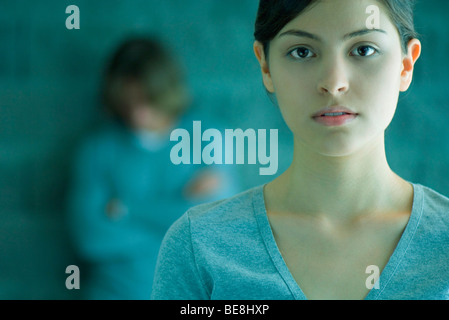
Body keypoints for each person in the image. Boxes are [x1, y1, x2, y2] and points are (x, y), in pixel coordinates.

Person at [151, 0, 449, 300]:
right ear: (265, 65)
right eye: (302, 52)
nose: (334, 83)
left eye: (363, 50)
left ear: (405, 64)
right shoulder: (199, 245)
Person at [66, 36, 239, 300]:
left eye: (147, 100)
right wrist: (180, 217)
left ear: (167, 91)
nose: (137, 114)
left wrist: (125, 209)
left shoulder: (208, 137)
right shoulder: (97, 150)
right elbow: (90, 238)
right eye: (127, 101)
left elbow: (216, 230)